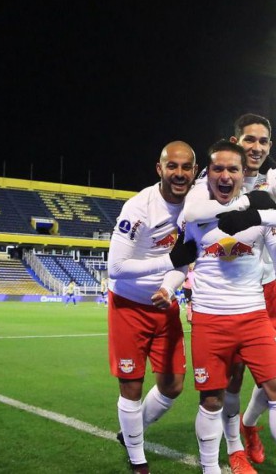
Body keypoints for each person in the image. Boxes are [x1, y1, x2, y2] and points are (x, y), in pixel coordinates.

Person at [181, 114, 276, 467]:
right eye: (249, 140)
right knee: (232, 380)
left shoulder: (274, 178)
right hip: (228, 295)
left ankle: (249, 425)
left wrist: (256, 214)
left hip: (265, 291)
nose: (256, 147)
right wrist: (245, 206)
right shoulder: (216, 176)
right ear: (235, 142)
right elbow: (192, 213)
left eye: (263, 142)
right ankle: (236, 449)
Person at [107, 140, 198, 474]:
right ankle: (137, 459)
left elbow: (185, 261)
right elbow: (114, 268)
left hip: (164, 305)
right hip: (128, 305)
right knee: (131, 385)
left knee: (173, 385)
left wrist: (168, 286)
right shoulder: (138, 208)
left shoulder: (195, 207)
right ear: (159, 169)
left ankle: (131, 433)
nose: (178, 173)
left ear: (194, 171)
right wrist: (166, 261)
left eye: (185, 167)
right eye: (171, 166)